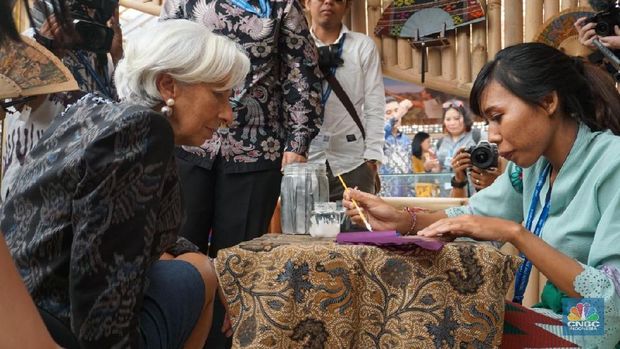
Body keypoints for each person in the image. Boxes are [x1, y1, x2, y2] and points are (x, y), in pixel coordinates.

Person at [345, 42, 620, 347]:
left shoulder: (614, 164)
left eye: (497, 116)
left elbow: (611, 311)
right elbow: (471, 218)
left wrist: (515, 233)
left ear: (548, 101)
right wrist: (401, 221)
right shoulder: (533, 170)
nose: (491, 135)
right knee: (438, 322)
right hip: (567, 314)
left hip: (599, 327)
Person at [1, 19, 250, 348]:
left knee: (197, 264)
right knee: (201, 271)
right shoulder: (142, 132)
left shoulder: (92, 110)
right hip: (54, 332)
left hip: (24, 313)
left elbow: (109, 231)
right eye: (219, 95)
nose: (228, 115)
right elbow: (102, 298)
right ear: (168, 85)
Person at [1, 0, 123, 201]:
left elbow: (117, 108)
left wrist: (117, 56)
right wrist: (47, 50)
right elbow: (17, 104)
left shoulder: (101, 57)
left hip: (78, 177)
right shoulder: (30, 41)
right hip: (29, 177)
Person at [305, 0, 385, 201]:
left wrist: (373, 157)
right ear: (306, 3)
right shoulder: (296, 46)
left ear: (347, 7)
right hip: (305, 162)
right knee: (302, 231)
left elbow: (375, 105)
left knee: (357, 230)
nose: (328, 2)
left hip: (353, 162)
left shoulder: (362, 45)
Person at [434, 99, 479, 172]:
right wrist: (431, 168)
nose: (452, 123)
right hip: (446, 182)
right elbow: (437, 171)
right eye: (448, 119)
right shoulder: (440, 143)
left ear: (465, 118)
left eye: (456, 118)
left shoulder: (477, 137)